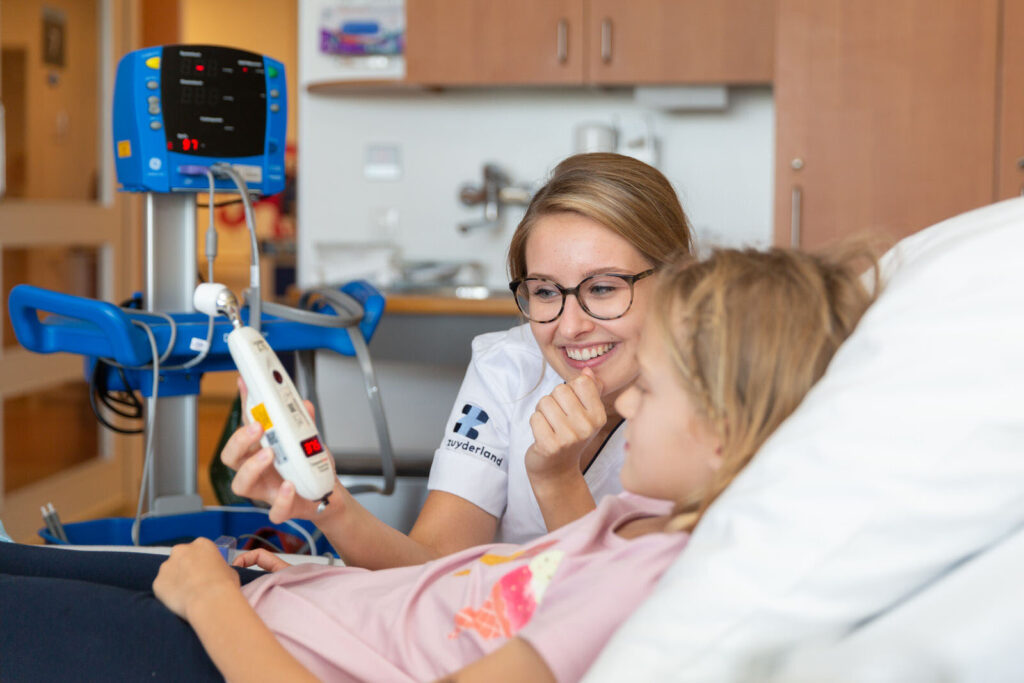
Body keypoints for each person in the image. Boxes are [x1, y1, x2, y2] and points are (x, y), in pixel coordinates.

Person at [0, 245, 878, 682]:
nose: (629, 393)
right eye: (543, 291)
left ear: (727, 426)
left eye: (657, 381)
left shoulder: (655, 582)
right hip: (276, 598)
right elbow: (449, 583)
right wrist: (322, 521)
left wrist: (212, 599)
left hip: (236, 642)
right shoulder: (631, 527)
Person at [222, 152, 695, 569]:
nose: (570, 327)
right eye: (546, 292)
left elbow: (614, 617)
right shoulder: (509, 368)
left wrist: (557, 479)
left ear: (678, 281)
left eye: (603, 288)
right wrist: (327, 503)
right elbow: (434, 565)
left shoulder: (717, 412)